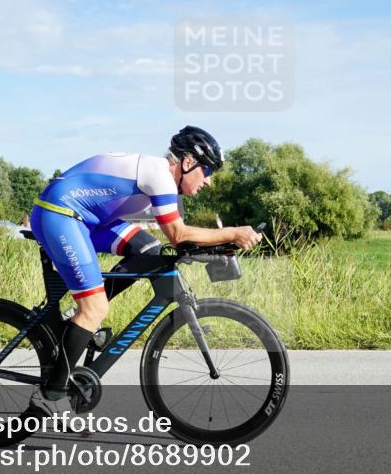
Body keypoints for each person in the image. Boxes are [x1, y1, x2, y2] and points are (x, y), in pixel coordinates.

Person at [28, 126, 262, 413]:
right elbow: (178, 235)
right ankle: (51, 394)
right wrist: (231, 233)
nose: (209, 182)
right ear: (188, 164)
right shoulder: (160, 175)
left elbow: (173, 241)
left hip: (87, 218)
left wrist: (217, 247)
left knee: (147, 249)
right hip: (61, 214)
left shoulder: (159, 176)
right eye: (208, 171)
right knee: (95, 309)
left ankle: (77, 320)